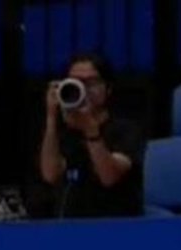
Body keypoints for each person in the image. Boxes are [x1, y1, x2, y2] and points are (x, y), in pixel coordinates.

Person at [38, 51, 144, 218]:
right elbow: (50, 174)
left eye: (91, 83)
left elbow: (108, 176)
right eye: (76, 82)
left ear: (108, 88)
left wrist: (90, 129)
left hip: (114, 223)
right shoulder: (65, 132)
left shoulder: (126, 129)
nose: (84, 89)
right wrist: (51, 118)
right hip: (69, 224)